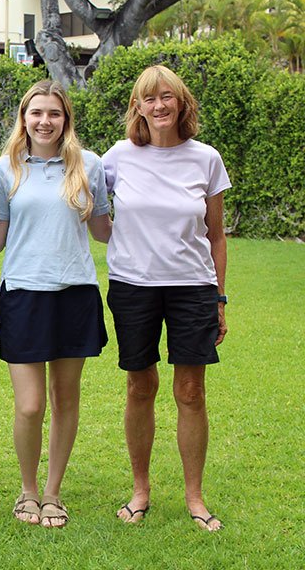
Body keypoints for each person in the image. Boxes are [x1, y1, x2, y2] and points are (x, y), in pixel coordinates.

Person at [0, 80, 111, 528]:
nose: (45, 121)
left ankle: (52, 492)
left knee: (65, 400)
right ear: (24, 117)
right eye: (36, 113)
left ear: (65, 118)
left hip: (75, 293)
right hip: (22, 295)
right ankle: (27, 491)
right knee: (30, 405)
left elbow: (103, 230)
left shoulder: (89, 165)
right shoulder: (6, 169)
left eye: (54, 113)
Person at [102, 65, 229, 532]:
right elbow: (83, 198)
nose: (159, 106)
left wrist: (219, 297)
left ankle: (194, 496)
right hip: (133, 285)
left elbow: (216, 236)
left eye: (167, 97)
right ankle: (141, 489)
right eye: (149, 98)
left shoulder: (206, 159)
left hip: (192, 288)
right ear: (137, 107)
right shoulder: (117, 158)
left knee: (191, 392)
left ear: (181, 104)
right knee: (140, 386)